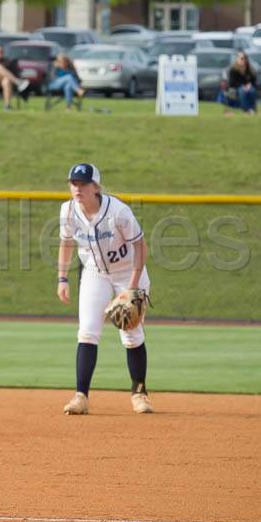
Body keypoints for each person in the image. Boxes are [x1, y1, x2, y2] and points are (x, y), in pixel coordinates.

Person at [55, 163, 153, 416]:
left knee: (131, 335)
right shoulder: (67, 210)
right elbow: (66, 242)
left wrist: (131, 289)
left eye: (83, 183)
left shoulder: (118, 211)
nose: (77, 188)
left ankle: (140, 394)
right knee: (87, 332)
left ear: (95, 187)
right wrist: (62, 278)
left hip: (128, 272)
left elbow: (141, 247)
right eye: (73, 183)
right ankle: (81, 397)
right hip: (95, 273)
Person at [0, 45, 30, 110]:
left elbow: (14, 72)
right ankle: (18, 82)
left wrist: (2, 74)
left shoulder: (7, 61)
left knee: (7, 81)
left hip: (2, 82)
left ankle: (7, 105)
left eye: (1, 51)